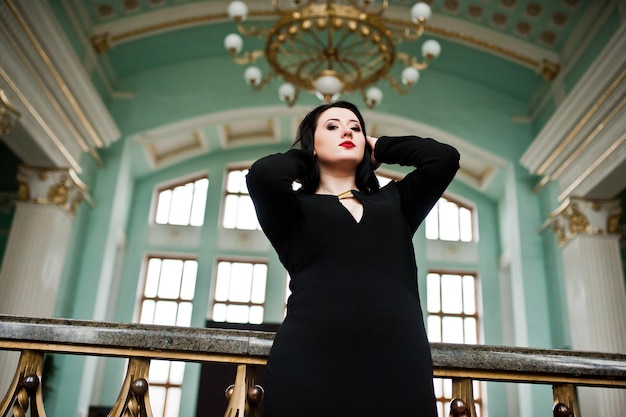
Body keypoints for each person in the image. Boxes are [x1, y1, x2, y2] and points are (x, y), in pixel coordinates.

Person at [246, 100, 460, 417]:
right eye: (331, 126)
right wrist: (309, 159)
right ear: (312, 144)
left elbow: (444, 159)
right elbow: (263, 174)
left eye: (356, 128)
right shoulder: (291, 210)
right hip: (308, 361)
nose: (347, 130)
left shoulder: (397, 201)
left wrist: (382, 148)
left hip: (399, 361)